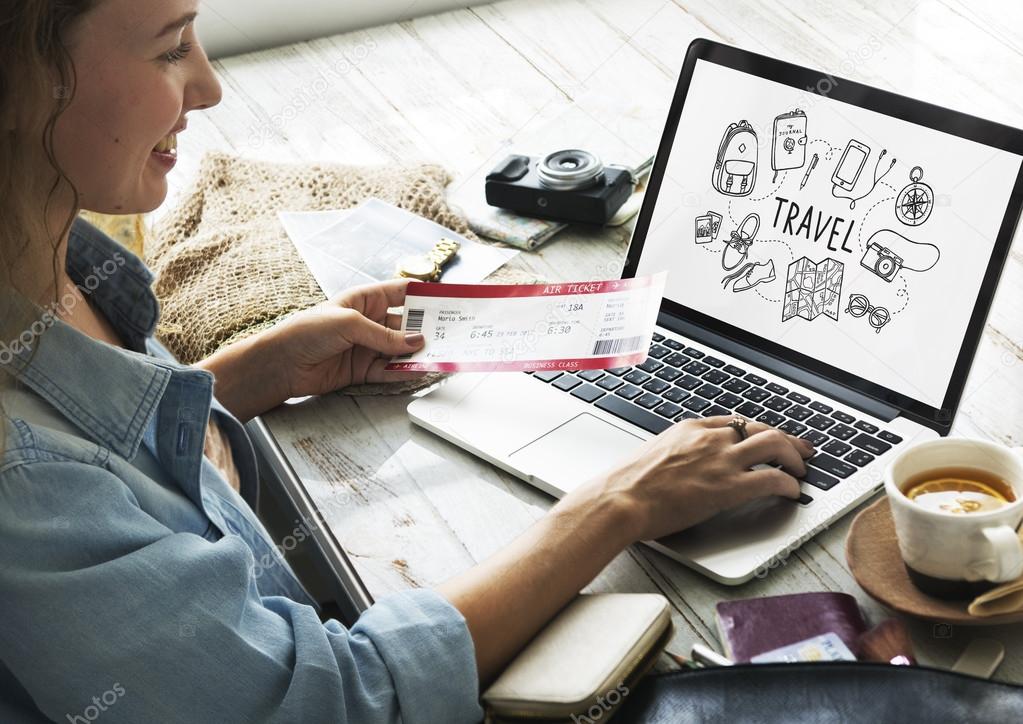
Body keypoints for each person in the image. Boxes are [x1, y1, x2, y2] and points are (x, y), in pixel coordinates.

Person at [0, 2, 814, 722]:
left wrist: (253, 374)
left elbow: (110, 457)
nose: (209, 86)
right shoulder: (22, 489)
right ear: (18, 79)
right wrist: (617, 504)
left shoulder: (55, 255)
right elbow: (338, 702)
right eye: (171, 47)